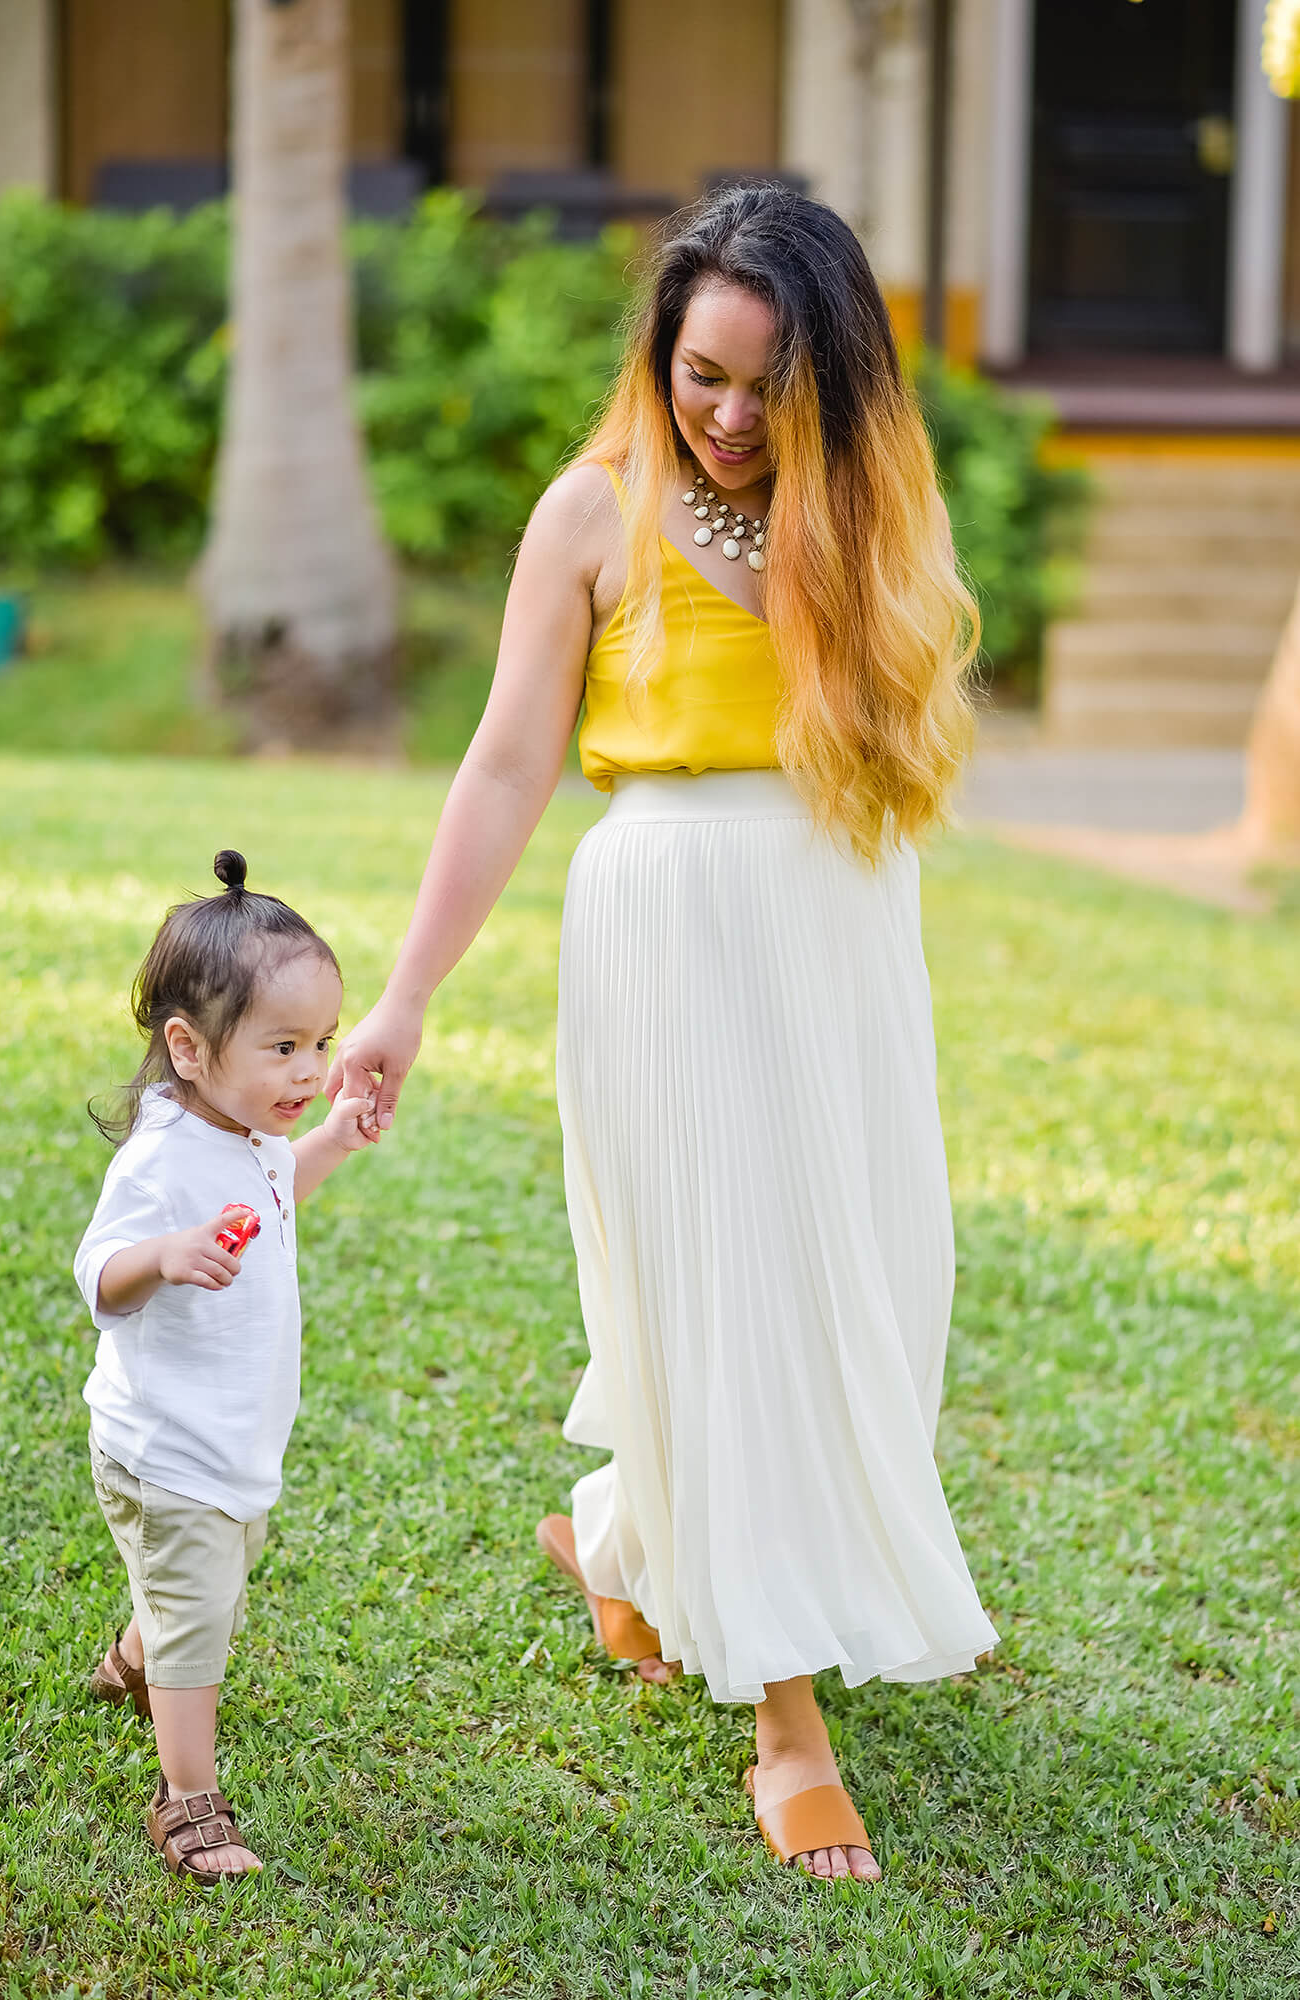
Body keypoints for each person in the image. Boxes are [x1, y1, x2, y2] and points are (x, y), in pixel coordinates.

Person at [328, 184, 998, 1883]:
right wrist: (401, 1001)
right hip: (668, 925)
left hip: (840, 922)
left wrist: (817, 567)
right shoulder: (590, 514)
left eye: (767, 388)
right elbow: (500, 767)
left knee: (870, 1286)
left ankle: (622, 1542)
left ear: (834, 388)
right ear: (659, 350)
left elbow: (885, 738)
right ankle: (784, 1722)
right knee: (732, 1291)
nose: (724, 415)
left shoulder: (859, 523)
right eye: (699, 372)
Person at [75, 851, 378, 1885]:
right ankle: (187, 1802)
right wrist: (163, 1255)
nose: (309, 1068)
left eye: (323, 1043)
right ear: (188, 1047)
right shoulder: (160, 1160)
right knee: (202, 1627)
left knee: (210, 1595)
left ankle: (132, 1654)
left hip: (232, 1443)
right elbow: (97, 1275)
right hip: (170, 1453)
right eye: (284, 1045)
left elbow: (279, 1184)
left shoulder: (247, 1132)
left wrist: (331, 1137)